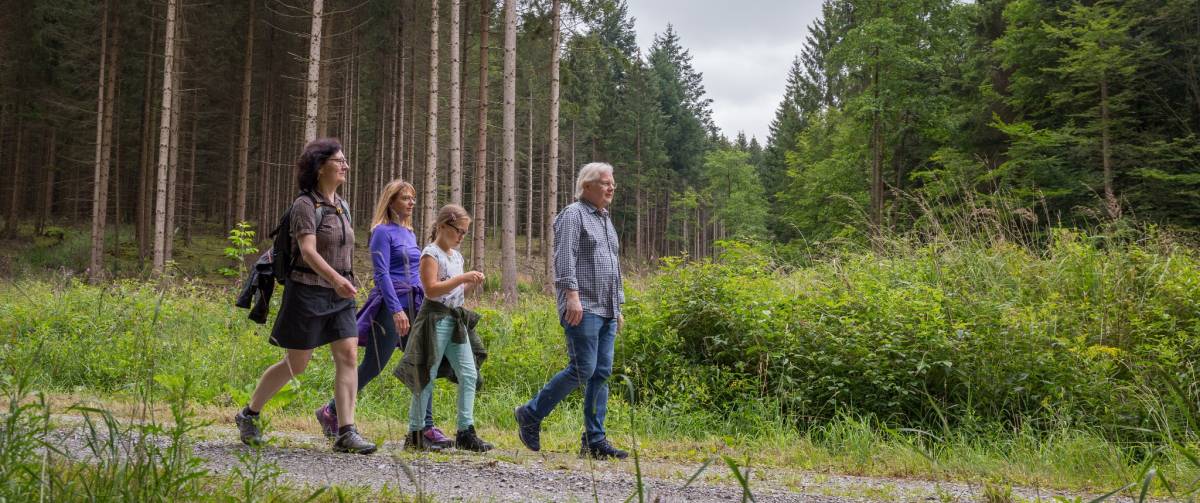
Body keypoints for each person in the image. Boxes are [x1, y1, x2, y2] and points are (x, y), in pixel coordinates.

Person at [234, 138, 376, 455]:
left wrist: (344, 282)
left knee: (349, 356)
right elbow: (308, 251)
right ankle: (249, 414)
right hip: (307, 292)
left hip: (340, 296)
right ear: (319, 166)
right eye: (339, 160)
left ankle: (345, 430)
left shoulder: (343, 206)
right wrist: (337, 279)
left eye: (345, 160)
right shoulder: (305, 205)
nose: (345, 166)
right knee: (297, 364)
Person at [313, 180, 451, 450]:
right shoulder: (381, 233)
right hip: (390, 307)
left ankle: (426, 427)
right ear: (391, 202)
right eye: (405, 198)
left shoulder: (409, 234)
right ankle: (330, 412)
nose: (411, 203)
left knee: (423, 362)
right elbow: (382, 274)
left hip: (415, 304)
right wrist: (396, 309)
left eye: (413, 198)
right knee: (374, 365)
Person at [514, 162, 628, 460]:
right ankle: (530, 413)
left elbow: (614, 267)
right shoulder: (573, 215)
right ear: (586, 186)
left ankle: (594, 440)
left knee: (601, 373)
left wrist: (619, 306)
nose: (611, 187)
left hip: (607, 308)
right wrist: (572, 296)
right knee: (583, 368)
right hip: (583, 306)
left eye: (612, 182)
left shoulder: (604, 219)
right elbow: (564, 259)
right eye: (605, 182)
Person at [394, 204, 492, 452]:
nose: (460, 236)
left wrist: (471, 283)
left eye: (464, 233)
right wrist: (463, 278)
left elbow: (457, 293)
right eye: (458, 230)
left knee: (469, 374)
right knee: (427, 374)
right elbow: (431, 289)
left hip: (455, 319)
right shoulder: (431, 253)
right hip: (434, 319)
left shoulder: (457, 257)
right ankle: (415, 434)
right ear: (442, 226)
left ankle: (465, 431)